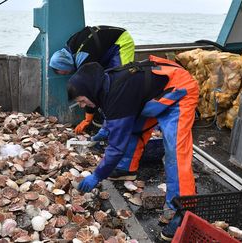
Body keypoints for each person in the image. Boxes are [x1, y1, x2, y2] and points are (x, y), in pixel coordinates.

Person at [67, 55, 199, 241]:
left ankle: (184, 209)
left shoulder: (118, 92)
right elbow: (113, 113)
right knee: (134, 128)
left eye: (81, 100)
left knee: (175, 152)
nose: (82, 105)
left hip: (178, 90)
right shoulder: (104, 84)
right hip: (153, 96)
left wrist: (97, 175)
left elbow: (116, 147)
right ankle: (126, 168)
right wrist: (105, 129)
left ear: (89, 90)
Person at [49, 25, 135, 134]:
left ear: (66, 64)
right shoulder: (69, 48)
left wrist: (88, 118)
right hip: (105, 48)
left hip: (121, 41)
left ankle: (122, 123)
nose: (70, 73)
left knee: (120, 81)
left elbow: (89, 90)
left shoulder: (83, 58)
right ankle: (107, 123)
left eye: (67, 71)